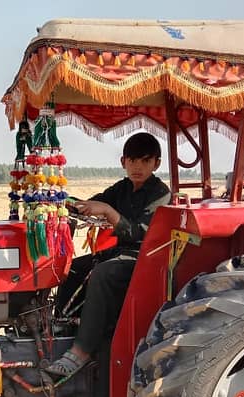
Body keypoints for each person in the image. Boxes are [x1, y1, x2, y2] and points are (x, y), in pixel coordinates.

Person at [45, 132, 170, 378]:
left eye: (145, 161)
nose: (137, 167)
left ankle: (81, 351)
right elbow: (93, 203)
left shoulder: (160, 193)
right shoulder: (122, 188)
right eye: (132, 161)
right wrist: (61, 200)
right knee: (73, 266)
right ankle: (60, 326)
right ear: (123, 162)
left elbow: (137, 234)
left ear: (156, 163)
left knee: (103, 273)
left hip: (145, 257)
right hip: (121, 252)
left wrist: (108, 211)